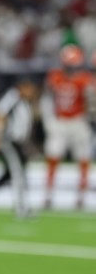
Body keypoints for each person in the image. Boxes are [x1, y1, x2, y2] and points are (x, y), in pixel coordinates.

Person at [0, 76, 39, 218]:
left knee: (8, 175)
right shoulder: (12, 97)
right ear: (23, 86)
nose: (33, 92)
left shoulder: (24, 102)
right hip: (8, 141)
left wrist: (29, 145)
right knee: (18, 173)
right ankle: (22, 208)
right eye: (30, 88)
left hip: (19, 143)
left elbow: (24, 126)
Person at [41, 44, 95, 210]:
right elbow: (47, 99)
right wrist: (48, 120)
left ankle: (81, 197)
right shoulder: (54, 76)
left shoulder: (86, 79)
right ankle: (48, 195)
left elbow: (92, 102)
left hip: (78, 120)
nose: (72, 69)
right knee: (53, 156)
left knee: (84, 158)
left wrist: (89, 119)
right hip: (60, 121)